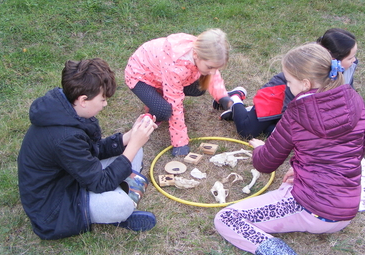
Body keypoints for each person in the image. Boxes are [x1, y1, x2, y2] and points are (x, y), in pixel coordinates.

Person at [214, 43, 365, 255]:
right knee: (287, 189)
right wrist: (300, 168)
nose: (287, 86)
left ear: (306, 84)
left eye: (289, 81)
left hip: (314, 209)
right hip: (348, 207)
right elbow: (360, 146)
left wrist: (258, 149)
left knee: (227, 219)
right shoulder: (353, 98)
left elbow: (266, 163)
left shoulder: (298, 110)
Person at [18, 58, 157, 240]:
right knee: (121, 204)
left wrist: (129, 137)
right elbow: (100, 183)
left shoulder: (68, 111)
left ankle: (119, 192)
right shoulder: (64, 137)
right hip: (55, 209)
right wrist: (133, 145)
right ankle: (117, 207)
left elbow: (93, 150)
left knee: (134, 151)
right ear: (83, 100)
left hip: (70, 177)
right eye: (102, 99)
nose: (105, 104)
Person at [218, 28, 358, 139]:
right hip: (278, 94)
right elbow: (298, 112)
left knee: (286, 135)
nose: (354, 60)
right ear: (332, 59)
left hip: (297, 109)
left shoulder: (348, 68)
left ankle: (257, 116)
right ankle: (235, 98)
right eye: (350, 57)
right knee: (247, 131)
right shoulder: (303, 77)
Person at [125, 28, 246, 156]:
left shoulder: (202, 50)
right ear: (196, 56)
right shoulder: (176, 67)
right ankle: (154, 105)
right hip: (140, 76)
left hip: (162, 75)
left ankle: (158, 95)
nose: (212, 71)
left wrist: (222, 96)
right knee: (163, 111)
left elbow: (213, 74)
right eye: (210, 67)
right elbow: (175, 103)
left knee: (200, 87)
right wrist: (180, 142)